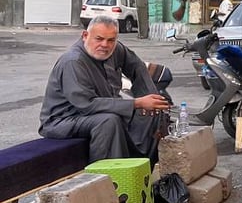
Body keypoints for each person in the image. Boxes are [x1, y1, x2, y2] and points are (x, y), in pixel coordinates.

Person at [39, 15, 171, 163]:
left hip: (99, 111)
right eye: (99, 39)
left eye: (110, 40)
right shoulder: (73, 62)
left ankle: (140, 168)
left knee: (153, 115)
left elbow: (136, 66)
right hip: (64, 119)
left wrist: (151, 99)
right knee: (109, 121)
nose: (104, 45)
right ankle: (106, 178)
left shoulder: (115, 49)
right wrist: (137, 103)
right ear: (85, 36)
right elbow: (88, 105)